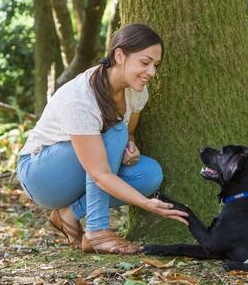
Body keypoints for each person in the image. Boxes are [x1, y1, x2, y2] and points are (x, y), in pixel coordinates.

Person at [16, 24, 188, 254]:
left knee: (148, 174)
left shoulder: (136, 91)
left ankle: (69, 214)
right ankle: (97, 232)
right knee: (115, 131)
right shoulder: (81, 98)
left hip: (83, 167)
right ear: (119, 56)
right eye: (145, 63)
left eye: (155, 65)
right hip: (41, 174)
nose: (151, 72)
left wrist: (131, 146)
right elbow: (99, 173)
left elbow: (130, 133)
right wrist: (147, 205)